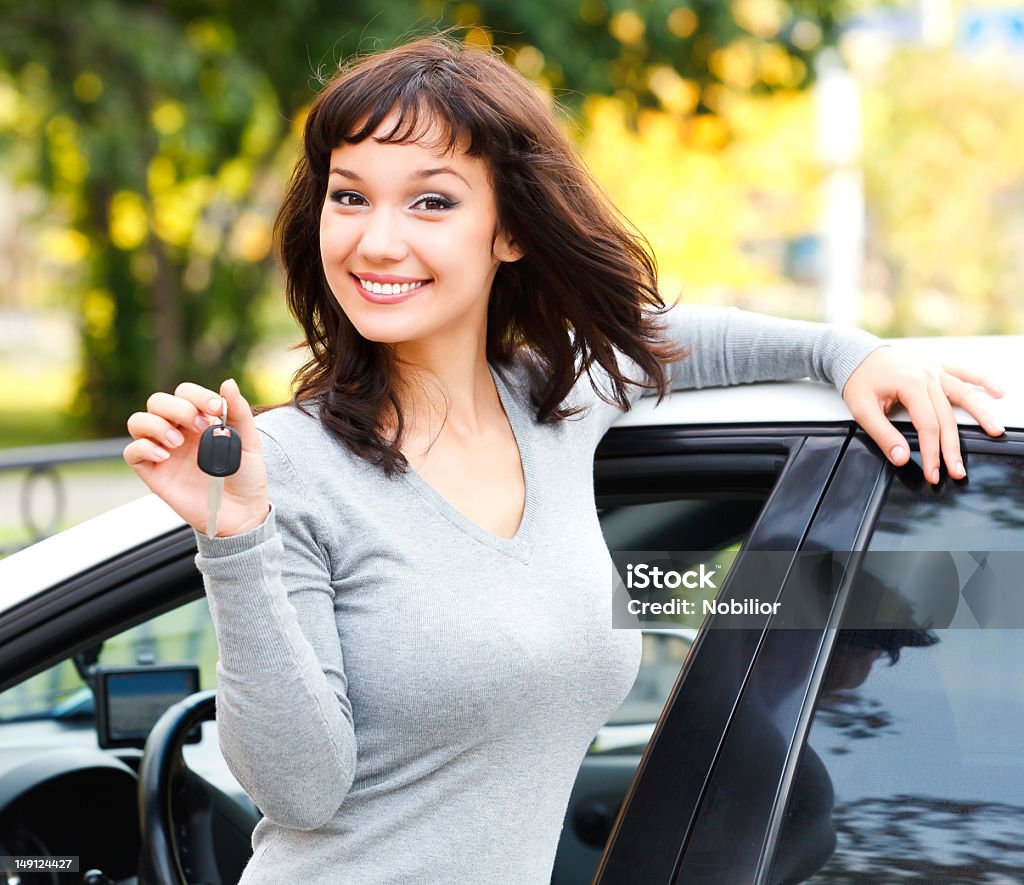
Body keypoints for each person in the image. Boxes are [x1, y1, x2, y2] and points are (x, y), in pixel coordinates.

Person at [122, 31, 1006, 885]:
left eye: (431, 201)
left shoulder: (559, 398)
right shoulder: (287, 464)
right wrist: (235, 534)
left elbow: (695, 341)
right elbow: (300, 791)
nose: (376, 240)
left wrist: (850, 355)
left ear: (511, 229)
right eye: (349, 196)